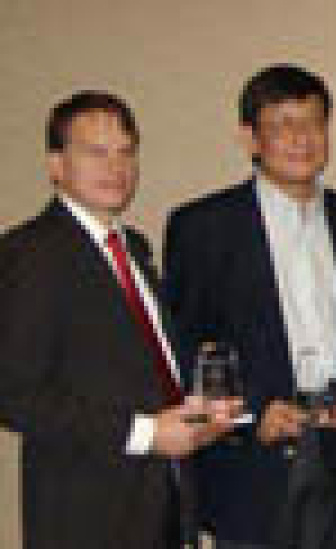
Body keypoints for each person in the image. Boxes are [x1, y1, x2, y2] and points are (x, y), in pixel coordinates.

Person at [0, 91, 242, 548]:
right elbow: (14, 393)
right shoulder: (34, 252)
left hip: (162, 502)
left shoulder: (133, 247)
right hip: (88, 516)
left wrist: (197, 409)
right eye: (95, 152)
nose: (115, 166)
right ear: (56, 166)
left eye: (126, 152)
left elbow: (137, 369)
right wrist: (147, 434)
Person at [164, 64, 336, 548]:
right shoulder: (204, 228)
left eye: (313, 122)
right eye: (283, 124)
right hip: (251, 465)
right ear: (250, 138)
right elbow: (183, 346)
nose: (302, 138)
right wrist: (249, 412)